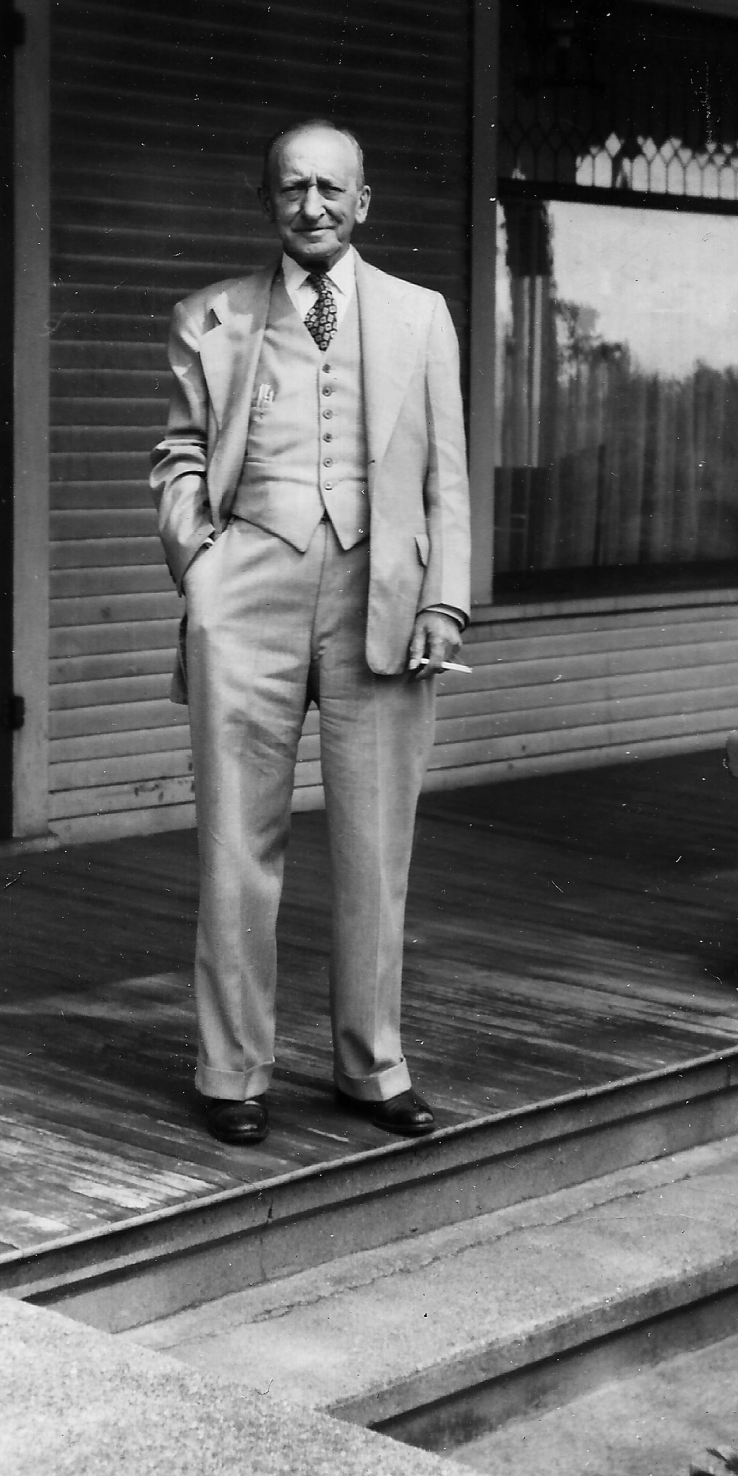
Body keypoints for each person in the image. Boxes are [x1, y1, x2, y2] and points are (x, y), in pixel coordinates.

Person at [151, 120, 471, 1145]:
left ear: (363, 201)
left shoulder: (421, 318)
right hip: (245, 592)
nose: (313, 205)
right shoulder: (211, 315)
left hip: (378, 598)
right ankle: (230, 1069)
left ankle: (370, 1065)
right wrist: (200, 569)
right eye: (291, 188)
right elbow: (178, 454)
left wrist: (443, 600)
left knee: (376, 847)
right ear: (266, 200)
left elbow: (446, 482)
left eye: (332, 187)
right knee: (236, 843)